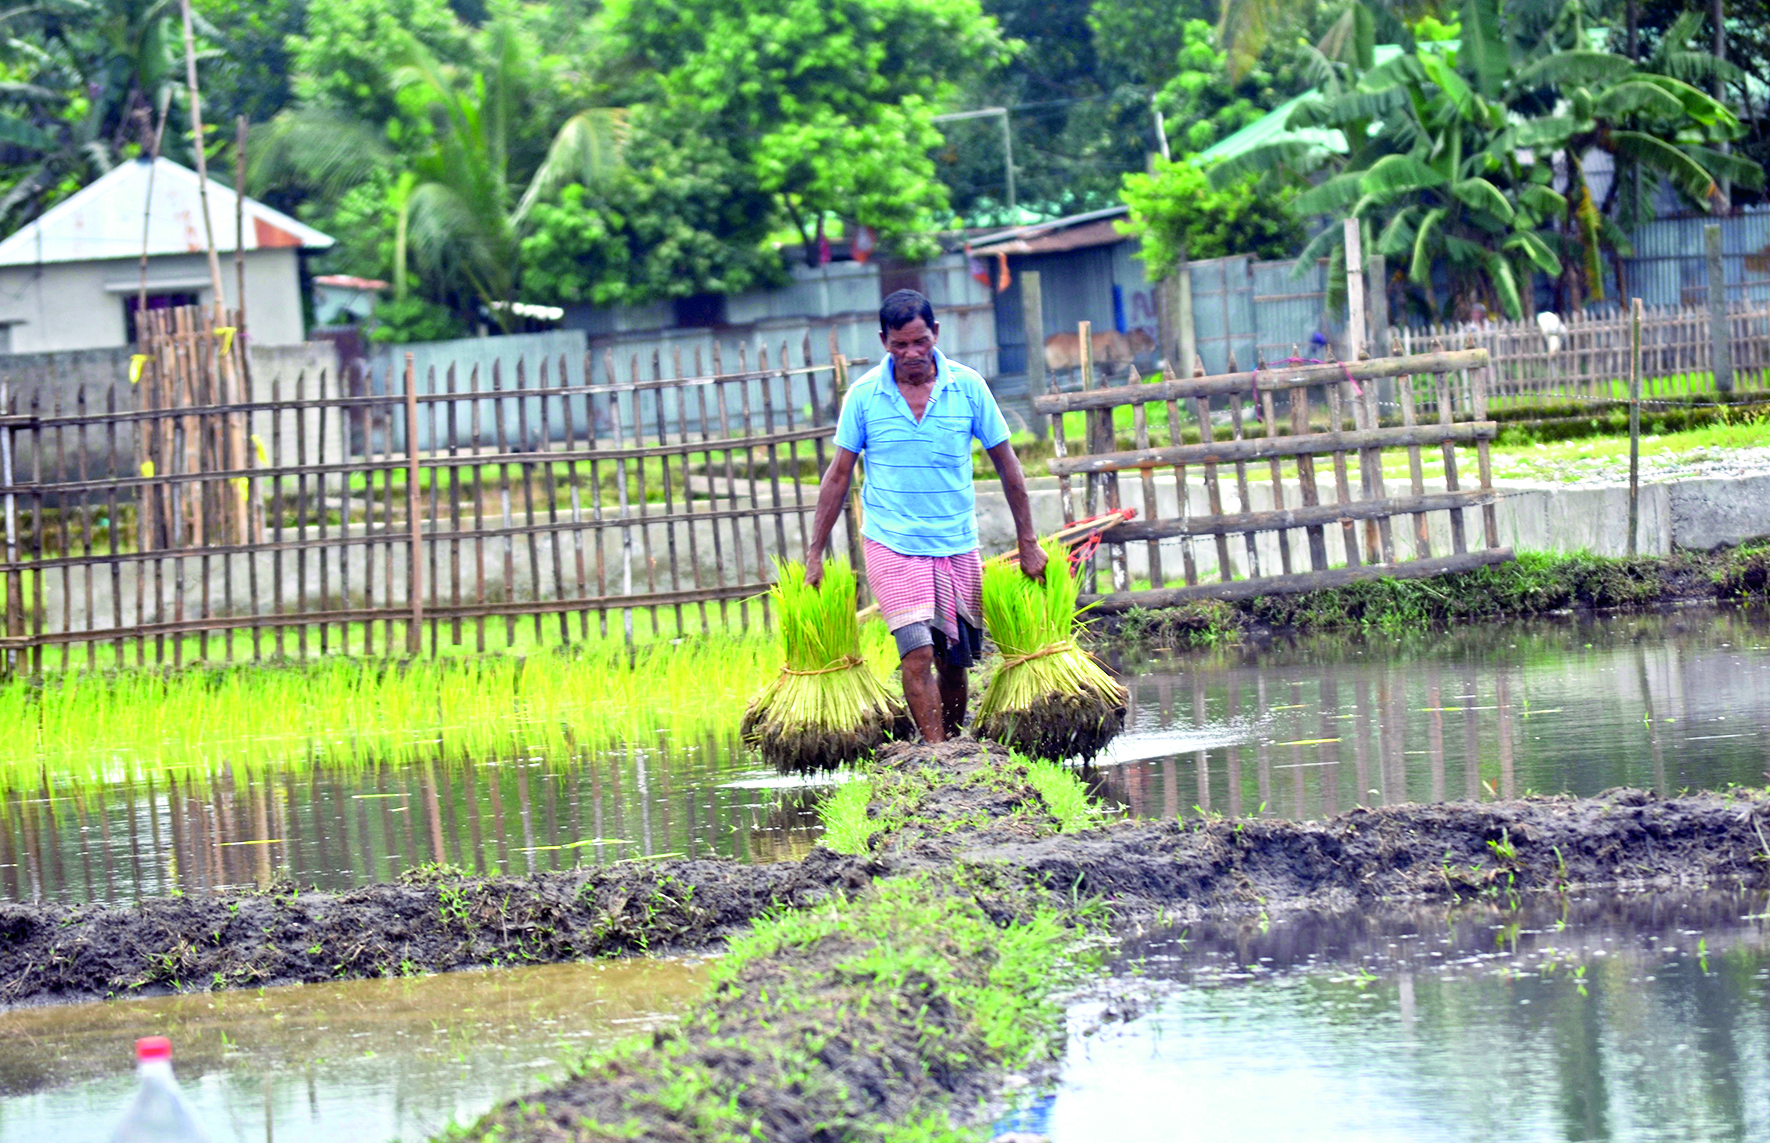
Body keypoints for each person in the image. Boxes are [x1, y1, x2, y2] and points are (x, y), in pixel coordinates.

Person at [803, 289, 1046, 743]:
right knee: (915, 653)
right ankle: (934, 752)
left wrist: (1028, 540)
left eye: (919, 341)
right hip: (891, 541)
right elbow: (838, 476)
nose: (911, 353)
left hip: (956, 541)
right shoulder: (863, 396)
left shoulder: (968, 386)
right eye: (899, 344)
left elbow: (1007, 464)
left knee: (952, 659)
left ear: (935, 333)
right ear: (883, 341)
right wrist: (814, 553)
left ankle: (954, 750)